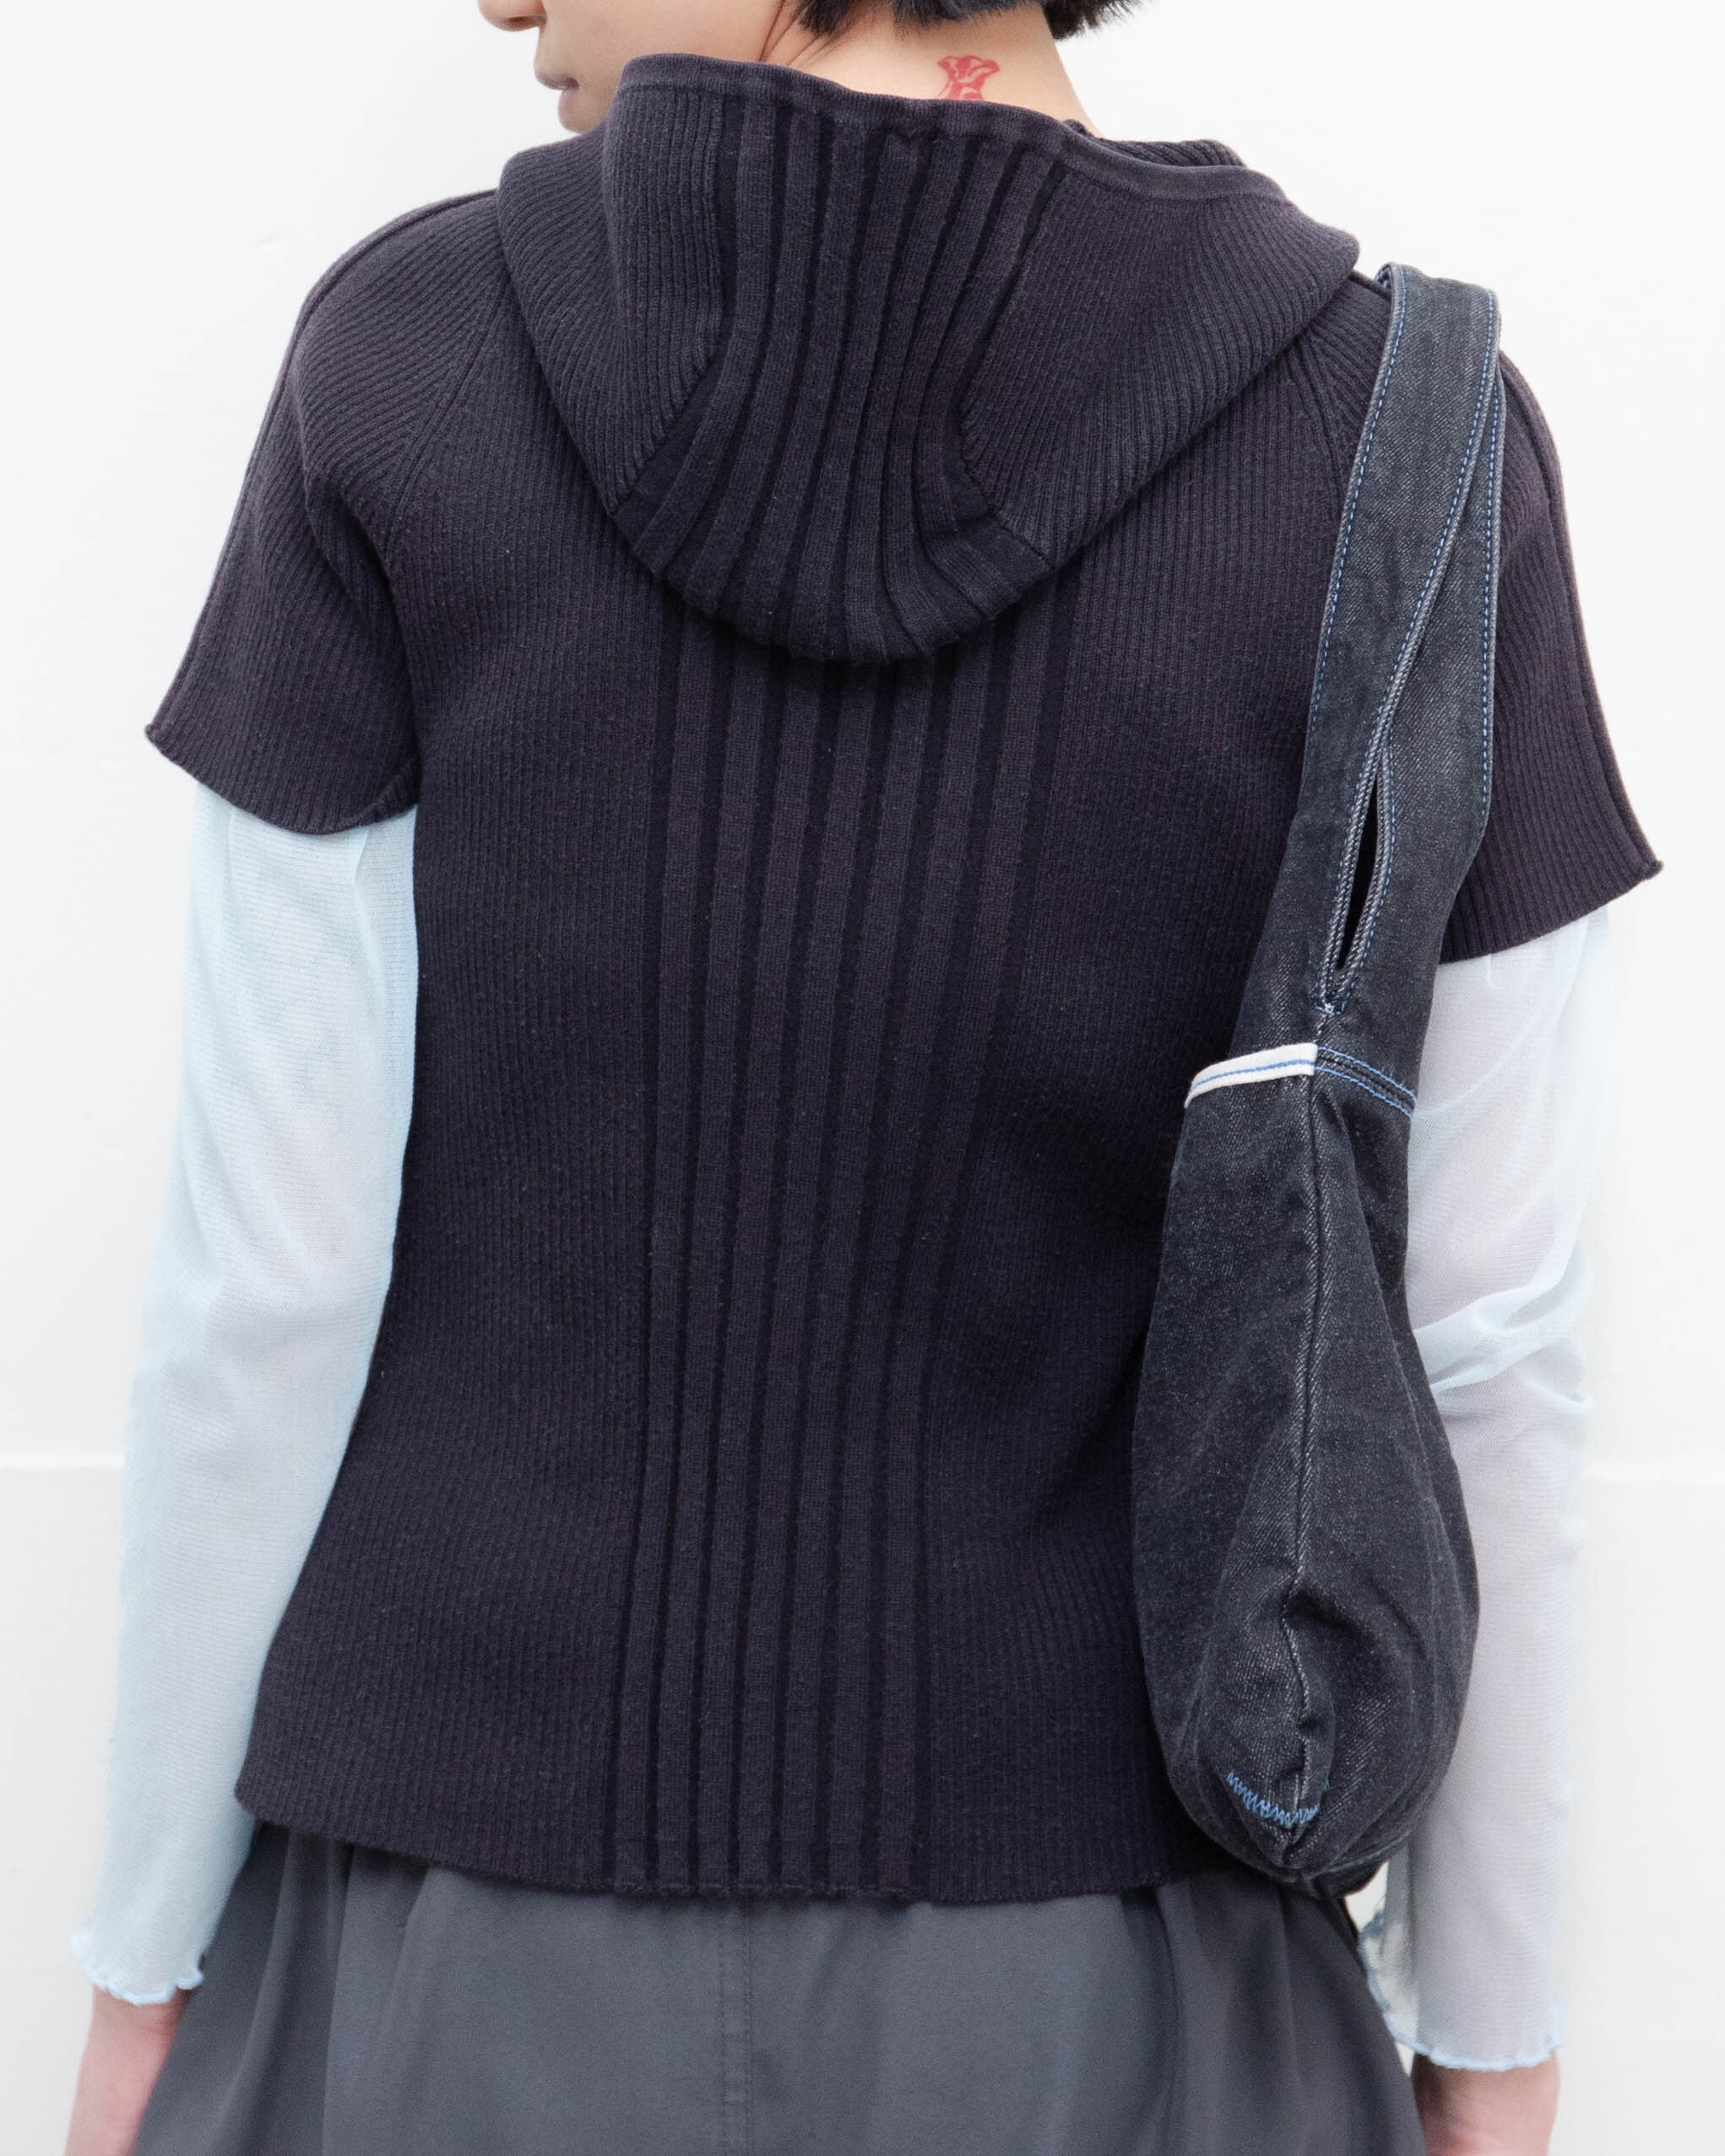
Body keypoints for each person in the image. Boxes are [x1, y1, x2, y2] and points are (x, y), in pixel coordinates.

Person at [62, 4, 1660, 2153]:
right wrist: (1490, 2046)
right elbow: (1487, 1348)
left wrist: (143, 1970)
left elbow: (264, 1288)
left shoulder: (406, 360)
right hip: (1143, 2002)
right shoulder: (1409, 439)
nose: (499, 0)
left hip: (441, 1975)